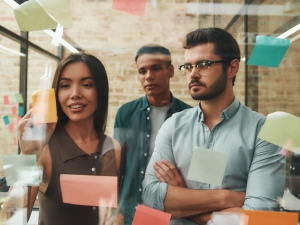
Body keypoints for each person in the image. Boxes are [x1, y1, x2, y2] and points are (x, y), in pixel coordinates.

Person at [142, 28, 286, 225]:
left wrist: (182, 202)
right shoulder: (173, 126)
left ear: (232, 68)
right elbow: (151, 197)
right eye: (188, 66)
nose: (193, 74)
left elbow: (259, 218)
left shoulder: (263, 131)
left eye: (203, 65)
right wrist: (225, 198)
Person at [17, 53, 121, 225]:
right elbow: (11, 218)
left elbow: (109, 210)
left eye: (86, 84)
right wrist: (26, 154)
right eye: (65, 86)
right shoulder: (44, 148)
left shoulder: (112, 146)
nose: (75, 94)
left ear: (100, 90)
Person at [113, 44, 191, 225]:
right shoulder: (125, 114)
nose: (149, 76)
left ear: (170, 70)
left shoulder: (187, 117)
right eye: (142, 71)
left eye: (156, 68)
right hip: (129, 214)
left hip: (169, 216)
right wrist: (114, 212)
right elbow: (116, 168)